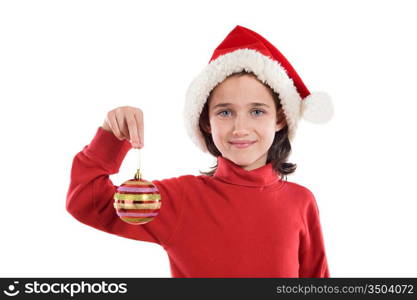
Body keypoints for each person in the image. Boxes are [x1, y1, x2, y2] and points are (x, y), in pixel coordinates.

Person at [66, 25, 333, 278]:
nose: (240, 128)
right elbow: (87, 202)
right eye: (225, 112)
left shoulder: (302, 202)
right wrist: (111, 136)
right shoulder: (180, 199)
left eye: (256, 111)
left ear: (280, 118)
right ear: (206, 121)